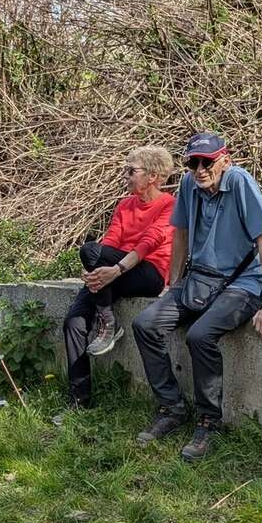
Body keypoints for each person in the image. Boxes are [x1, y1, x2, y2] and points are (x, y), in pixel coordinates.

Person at [131, 133, 262, 461]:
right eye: (193, 163)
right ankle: (171, 407)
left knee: (200, 335)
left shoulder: (240, 182)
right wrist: (173, 283)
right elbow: (181, 233)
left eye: (207, 162)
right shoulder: (189, 184)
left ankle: (208, 422)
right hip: (199, 281)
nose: (200, 169)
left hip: (242, 284)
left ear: (224, 160)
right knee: (145, 324)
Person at [61, 146, 175, 411]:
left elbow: (149, 243)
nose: (126, 176)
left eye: (131, 171)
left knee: (90, 251)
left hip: (148, 273)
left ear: (153, 176)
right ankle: (79, 403)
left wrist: (115, 269)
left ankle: (107, 321)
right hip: (114, 272)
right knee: (74, 322)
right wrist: (94, 270)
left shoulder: (169, 205)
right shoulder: (125, 205)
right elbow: (110, 243)